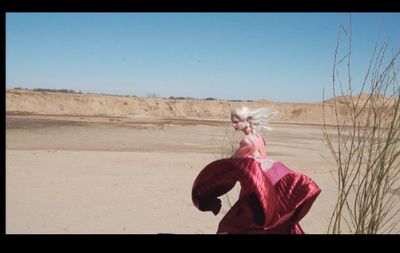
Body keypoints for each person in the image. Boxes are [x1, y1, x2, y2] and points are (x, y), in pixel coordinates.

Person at [191, 106, 321, 234]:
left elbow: (232, 161)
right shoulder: (259, 137)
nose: (233, 125)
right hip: (261, 189)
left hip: (253, 192)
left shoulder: (247, 141)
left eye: (236, 121)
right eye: (232, 121)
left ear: (247, 121)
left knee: (230, 226)